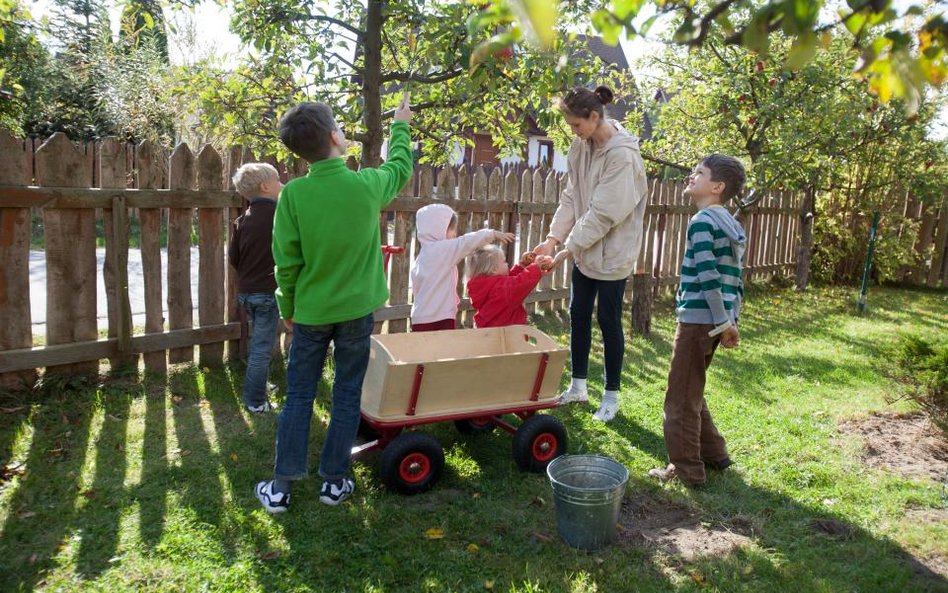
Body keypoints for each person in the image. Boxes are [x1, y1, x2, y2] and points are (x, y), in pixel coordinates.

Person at [254, 93, 414, 513]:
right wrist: (400, 125)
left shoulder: (292, 196)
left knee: (299, 396)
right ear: (334, 138)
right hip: (357, 314)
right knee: (346, 394)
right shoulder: (365, 186)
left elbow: (285, 262)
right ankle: (334, 483)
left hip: (309, 314)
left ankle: (281, 486)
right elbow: (400, 167)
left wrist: (287, 307)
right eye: (340, 128)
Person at [532, 85, 648, 422]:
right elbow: (572, 197)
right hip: (584, 249)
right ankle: (578, 387)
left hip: (614, 252)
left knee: (608, 319)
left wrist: (566, 250)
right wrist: (552, 240)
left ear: (595, 117)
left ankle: (611, 396)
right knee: (578, 313)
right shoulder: (580, 147)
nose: (573, 131)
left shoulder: (622, 156)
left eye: (576, 125)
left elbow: (603, 214)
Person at [648, 154, 746, 488]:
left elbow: (708, 277)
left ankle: (686, 469)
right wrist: (731, 319)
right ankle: (715, 454)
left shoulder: (703, 222)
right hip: (716, 322)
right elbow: (734, 280)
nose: (692, 174)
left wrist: (722, 322)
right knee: (692, 387)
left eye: (699, 172)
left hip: (698, 322)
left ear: (717, 187)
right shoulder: (731, 224)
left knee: (679, 398)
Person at [228, 163, 284, 413]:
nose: (282, 184)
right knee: (262, 347)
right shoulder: (280, 215)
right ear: (265, 186)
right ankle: (255, 401)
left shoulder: (242, 220)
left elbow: (234, 258)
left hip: (247, 292)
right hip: (268, 292)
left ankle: (259, 385)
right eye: (278, 180)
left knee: (260, 340)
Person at [410, 203, 514, 331]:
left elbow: (417, 289)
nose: (455, 233)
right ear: (438, 229)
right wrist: (492, 234)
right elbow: (466, 242)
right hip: (438, 317)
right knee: (443, 350)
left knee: (426, 350)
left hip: (419, 316)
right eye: (452, 229)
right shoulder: (442, 250)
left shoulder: (422, 257)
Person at [466, 245, 553, 328]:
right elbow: (519, 284)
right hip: (506, 335)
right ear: (494, 269)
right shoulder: (501, 289)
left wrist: (522, 266)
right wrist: (536, 267)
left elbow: (509, 283)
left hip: (489, 333)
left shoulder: (485, 287)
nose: (507, 264)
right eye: (504, 262)